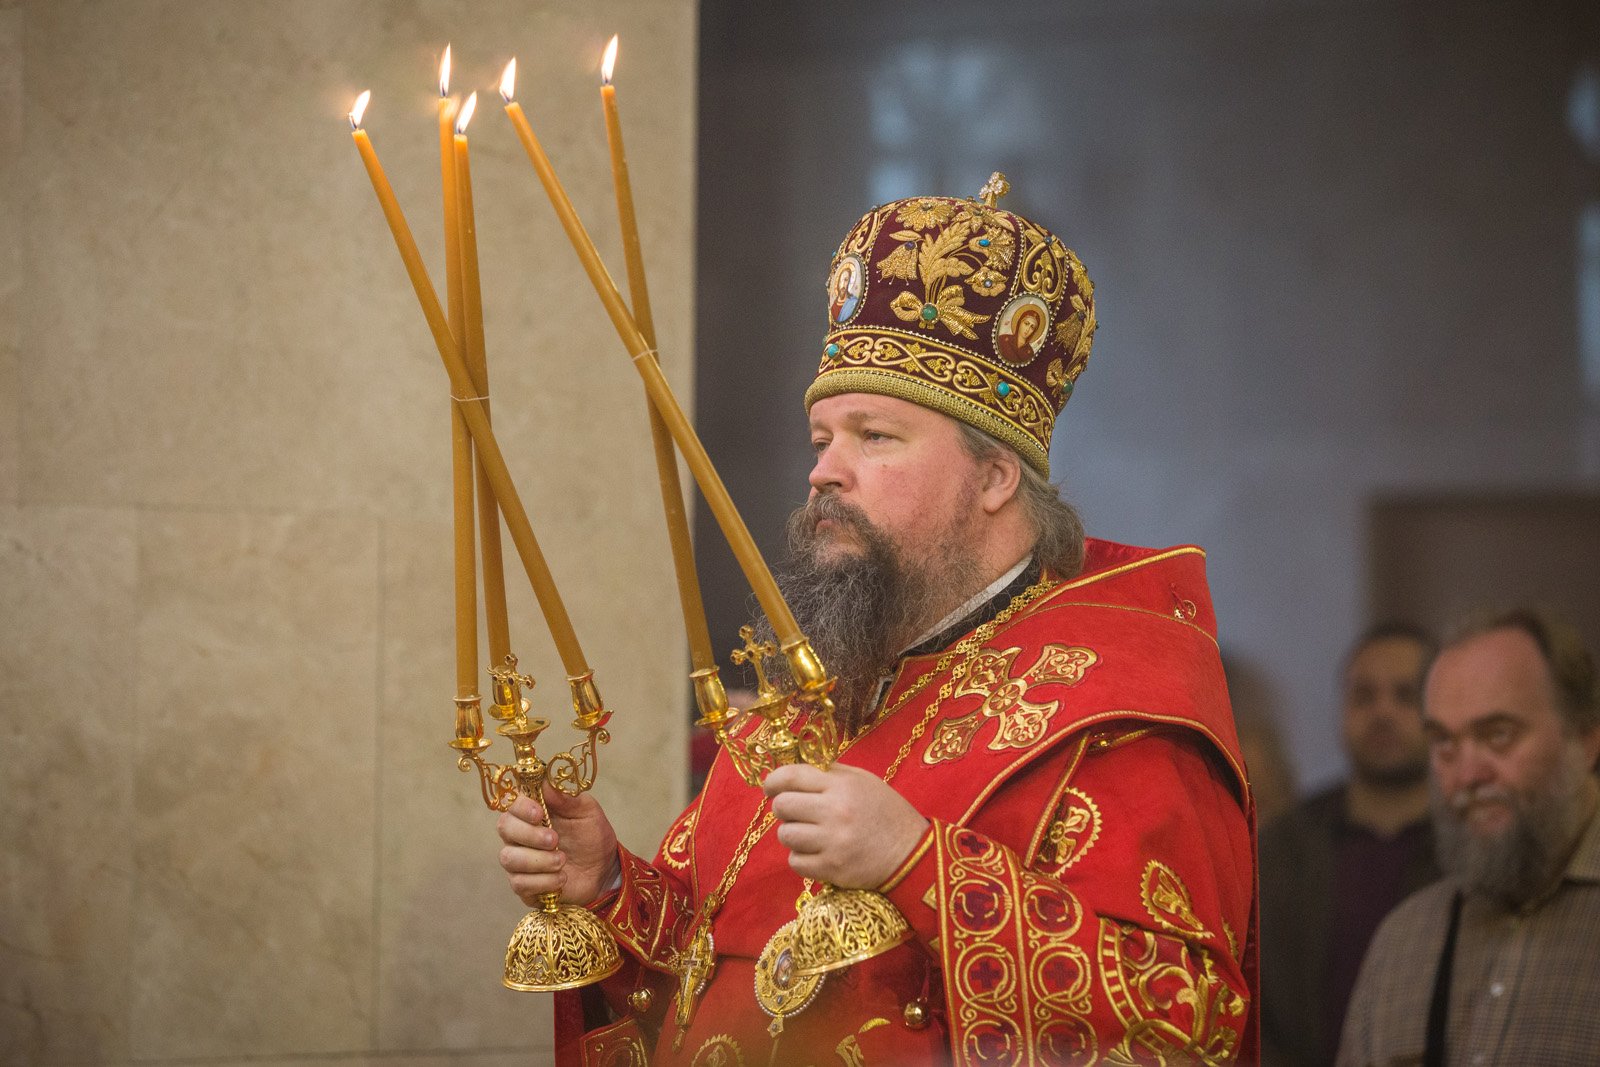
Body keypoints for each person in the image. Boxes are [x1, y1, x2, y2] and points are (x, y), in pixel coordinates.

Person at [498, 177, 1258, 1065]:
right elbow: (725, 976)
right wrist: (609, 885)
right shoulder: (811, 702)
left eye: (875, 436)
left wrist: (916, 861)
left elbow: (1182, 1016)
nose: (824, 471)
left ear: (994, 476)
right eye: (822, 439)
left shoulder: (1114, 704)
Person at [1338, 609, 1600, 1066]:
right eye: (1444, 742)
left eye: (1498, 735)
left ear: (1584, 739)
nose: (1466, 775)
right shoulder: (1404, 942)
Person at [1259, 624, 1440, 1067]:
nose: (1383, 712)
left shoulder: (1472, 847)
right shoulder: (1282, 847)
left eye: (1405, 696)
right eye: (1364, 696)